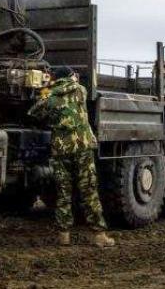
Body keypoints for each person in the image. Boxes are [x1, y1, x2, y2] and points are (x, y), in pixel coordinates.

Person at [28, 66, 115, 248]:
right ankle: (99, 235)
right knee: (89, 191)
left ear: (54, 79)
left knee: (63, 193)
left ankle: (64, 236)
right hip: (83, 147)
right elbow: (75, 84)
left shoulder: (50, 96)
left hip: (61, 150)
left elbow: (34, 112)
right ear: (71, 77)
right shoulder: (80, 90)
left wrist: (45, 89)